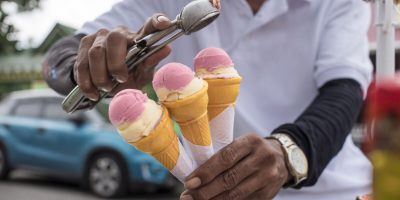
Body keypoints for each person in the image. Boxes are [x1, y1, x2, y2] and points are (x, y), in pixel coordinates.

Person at [42, 0, 373, 199]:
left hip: (335, 189)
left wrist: (287, 152)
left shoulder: (339, 3)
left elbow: (344, 92)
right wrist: (92, 65)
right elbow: (59, 60)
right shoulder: (169, 5)